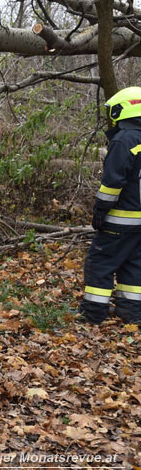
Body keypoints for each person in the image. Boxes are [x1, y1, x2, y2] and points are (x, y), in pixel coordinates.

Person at [80, 86, 141, 325]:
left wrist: (100, 211)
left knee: (100, 263)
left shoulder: (124, 140)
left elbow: (113, 182)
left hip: (121, 219)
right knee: (134, 265)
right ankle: (132, 314)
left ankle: (93, 314)